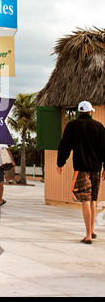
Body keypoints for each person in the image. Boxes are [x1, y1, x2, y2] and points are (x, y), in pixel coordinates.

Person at [57, 101, 105, 244]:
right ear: (90, 111)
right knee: (93, 198)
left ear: (79, 112)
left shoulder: (73, 126)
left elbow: (65, 145)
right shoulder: (99, 127)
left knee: (86, 199)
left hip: (81, 167)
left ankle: (88, 235)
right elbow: (104, 148)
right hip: (96, 168)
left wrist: (60, 163)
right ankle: (92, 230)